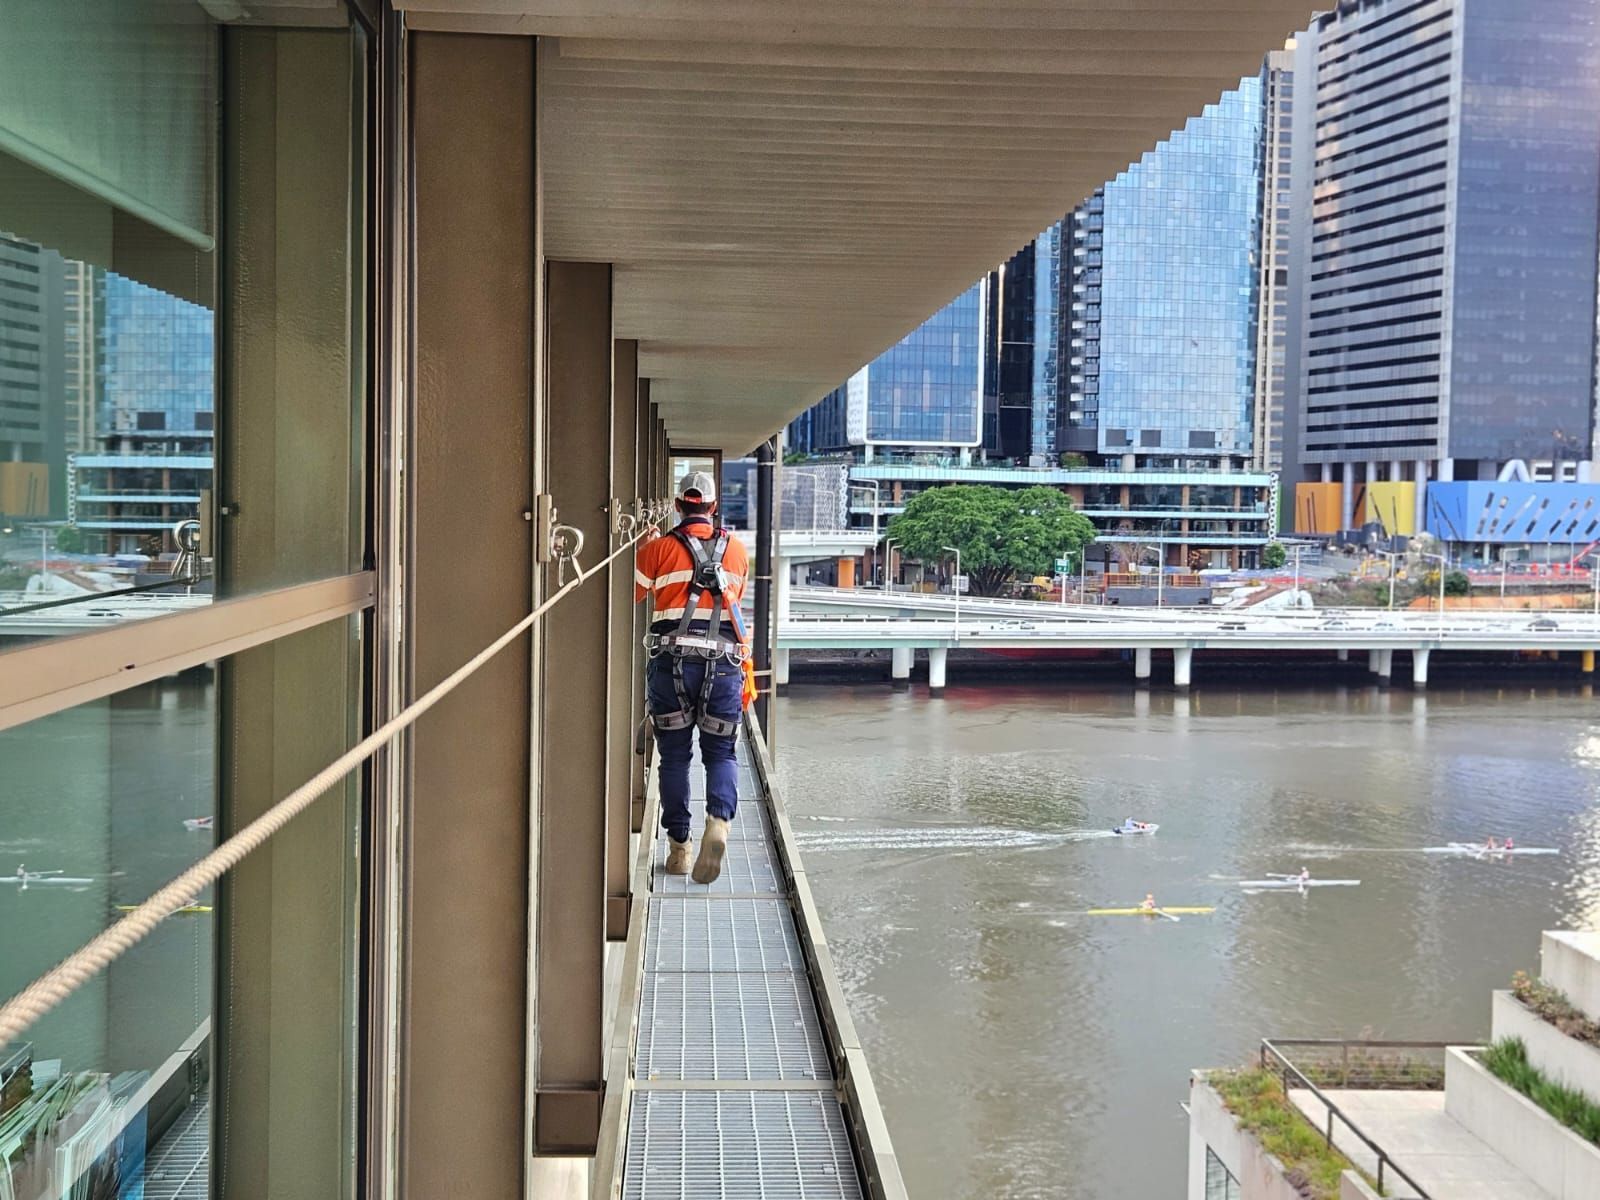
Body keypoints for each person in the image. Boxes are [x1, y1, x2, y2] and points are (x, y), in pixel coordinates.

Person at [635, 471, 756, 884]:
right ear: (713, 507)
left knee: (674, 757)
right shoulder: (737, 552)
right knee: (721, 753)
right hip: (723, 665)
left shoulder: (659, 550)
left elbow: (633, 592)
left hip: (671, 665)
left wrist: (645, 547)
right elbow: (736, 602)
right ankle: (719, 821)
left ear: (676, 505)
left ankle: (680, 849)